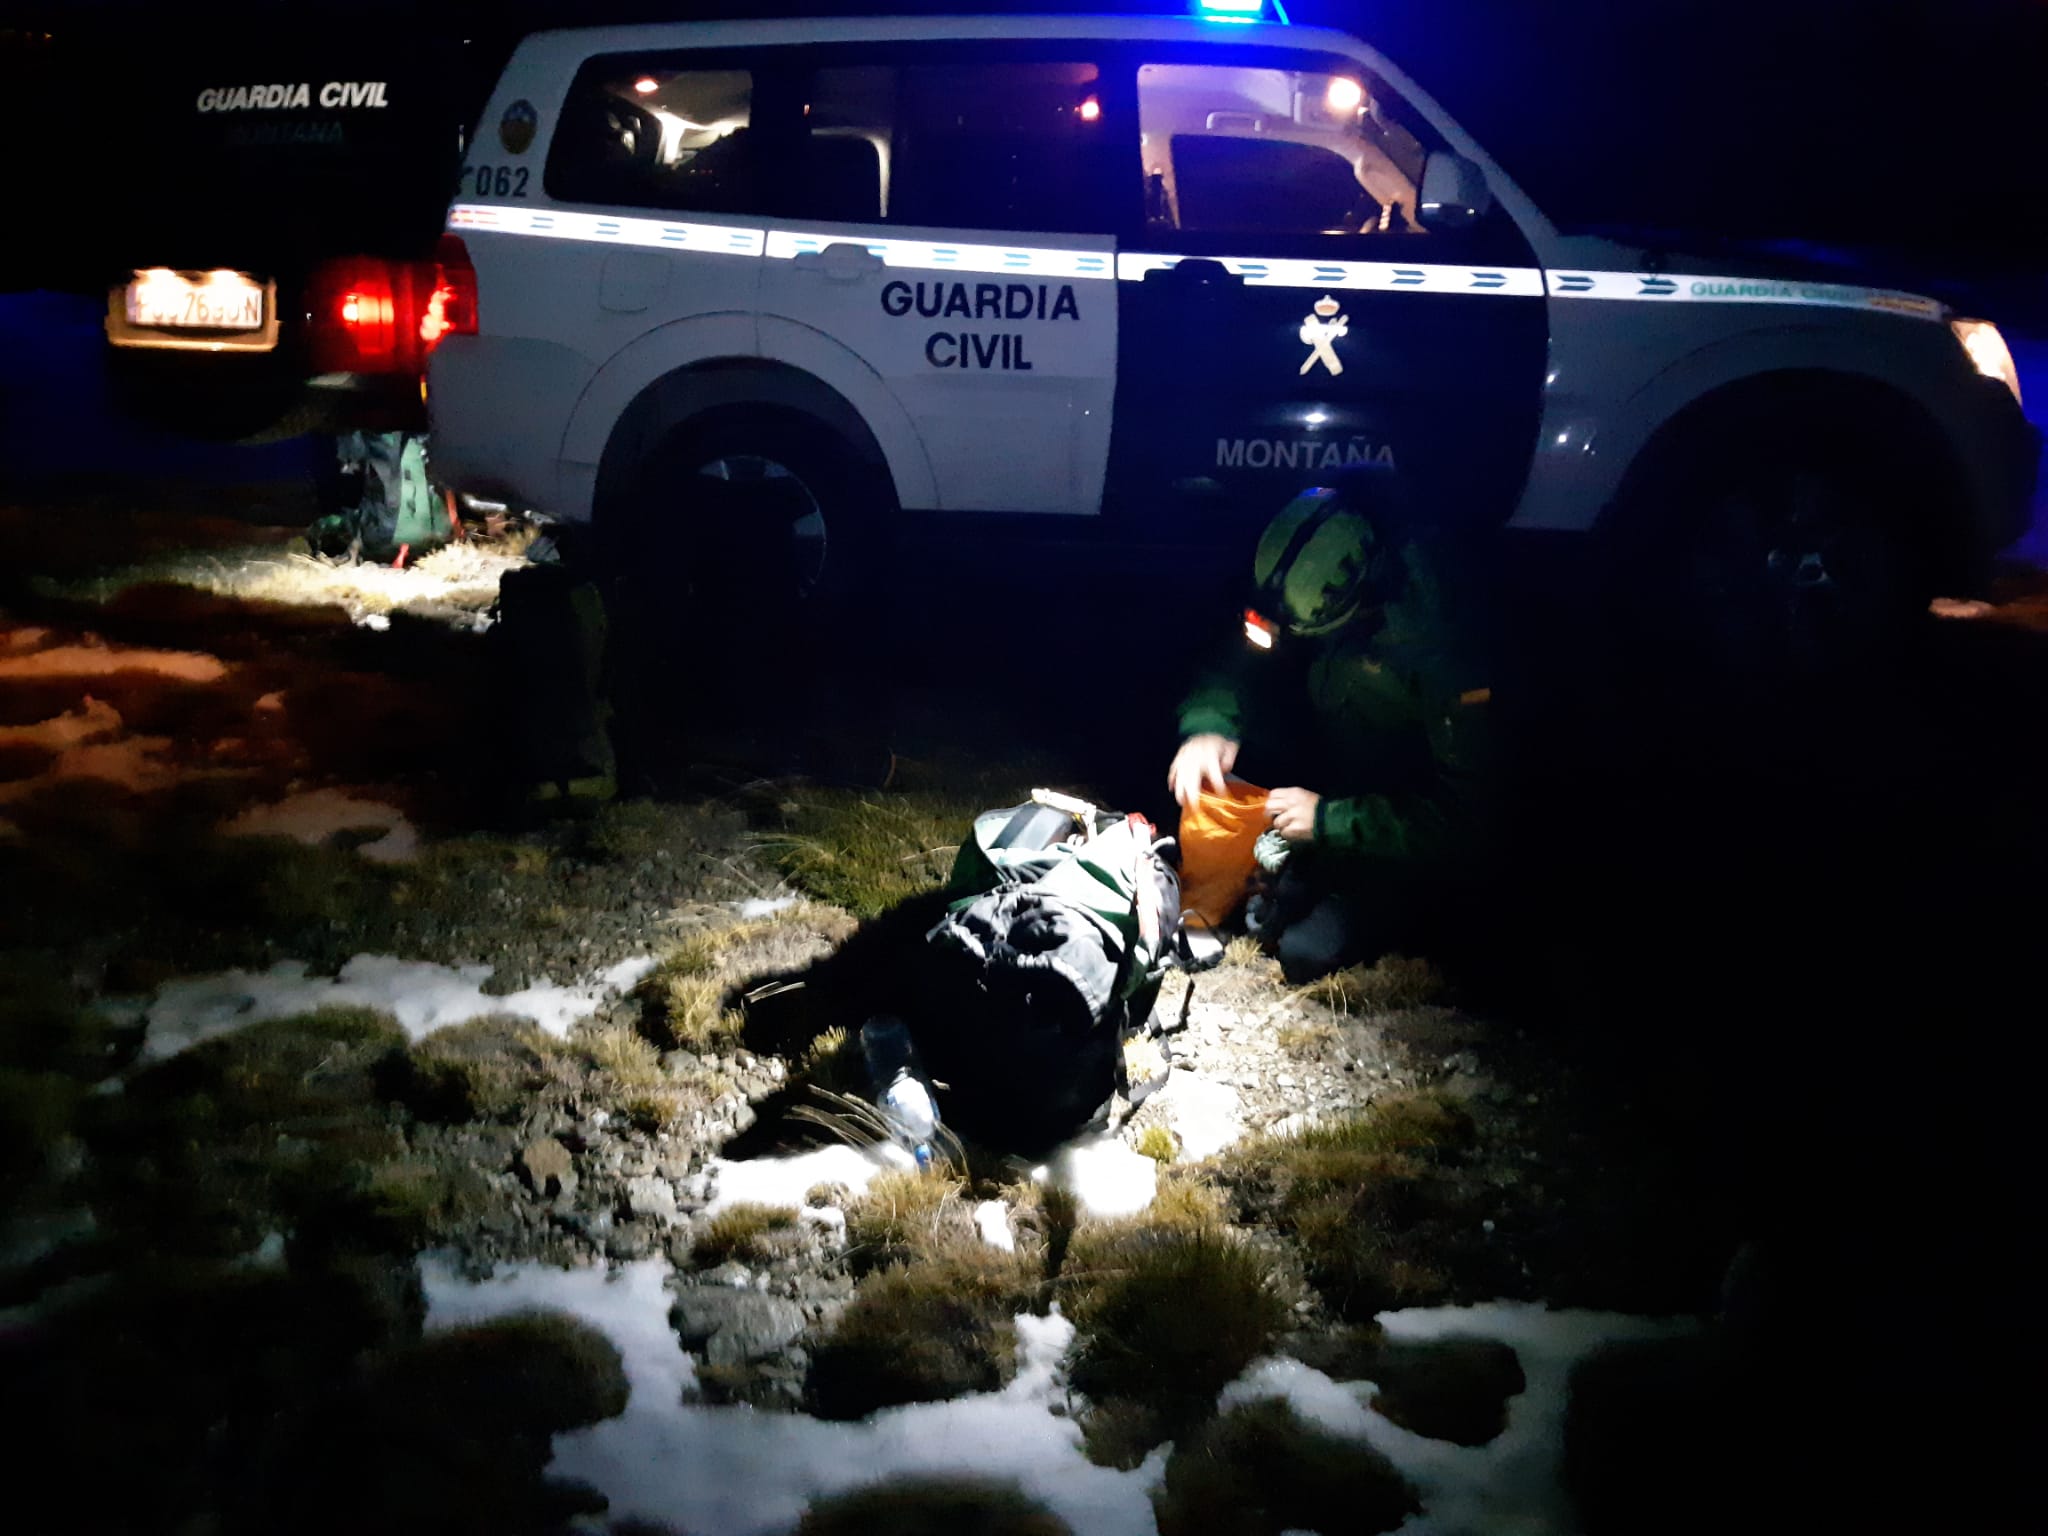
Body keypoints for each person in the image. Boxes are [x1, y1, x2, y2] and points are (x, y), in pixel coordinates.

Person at [1168, 482, 1494, 983]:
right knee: (1273, 902)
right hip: (1336, 767)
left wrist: (1329, 820)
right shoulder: (1299, 571)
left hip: (1407, 824)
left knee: (1305, 949)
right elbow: (1240, 659)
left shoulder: (1443, 647)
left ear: (1356, 609)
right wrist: (1209, 725)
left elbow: (1470, 818)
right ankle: (1286, 877)